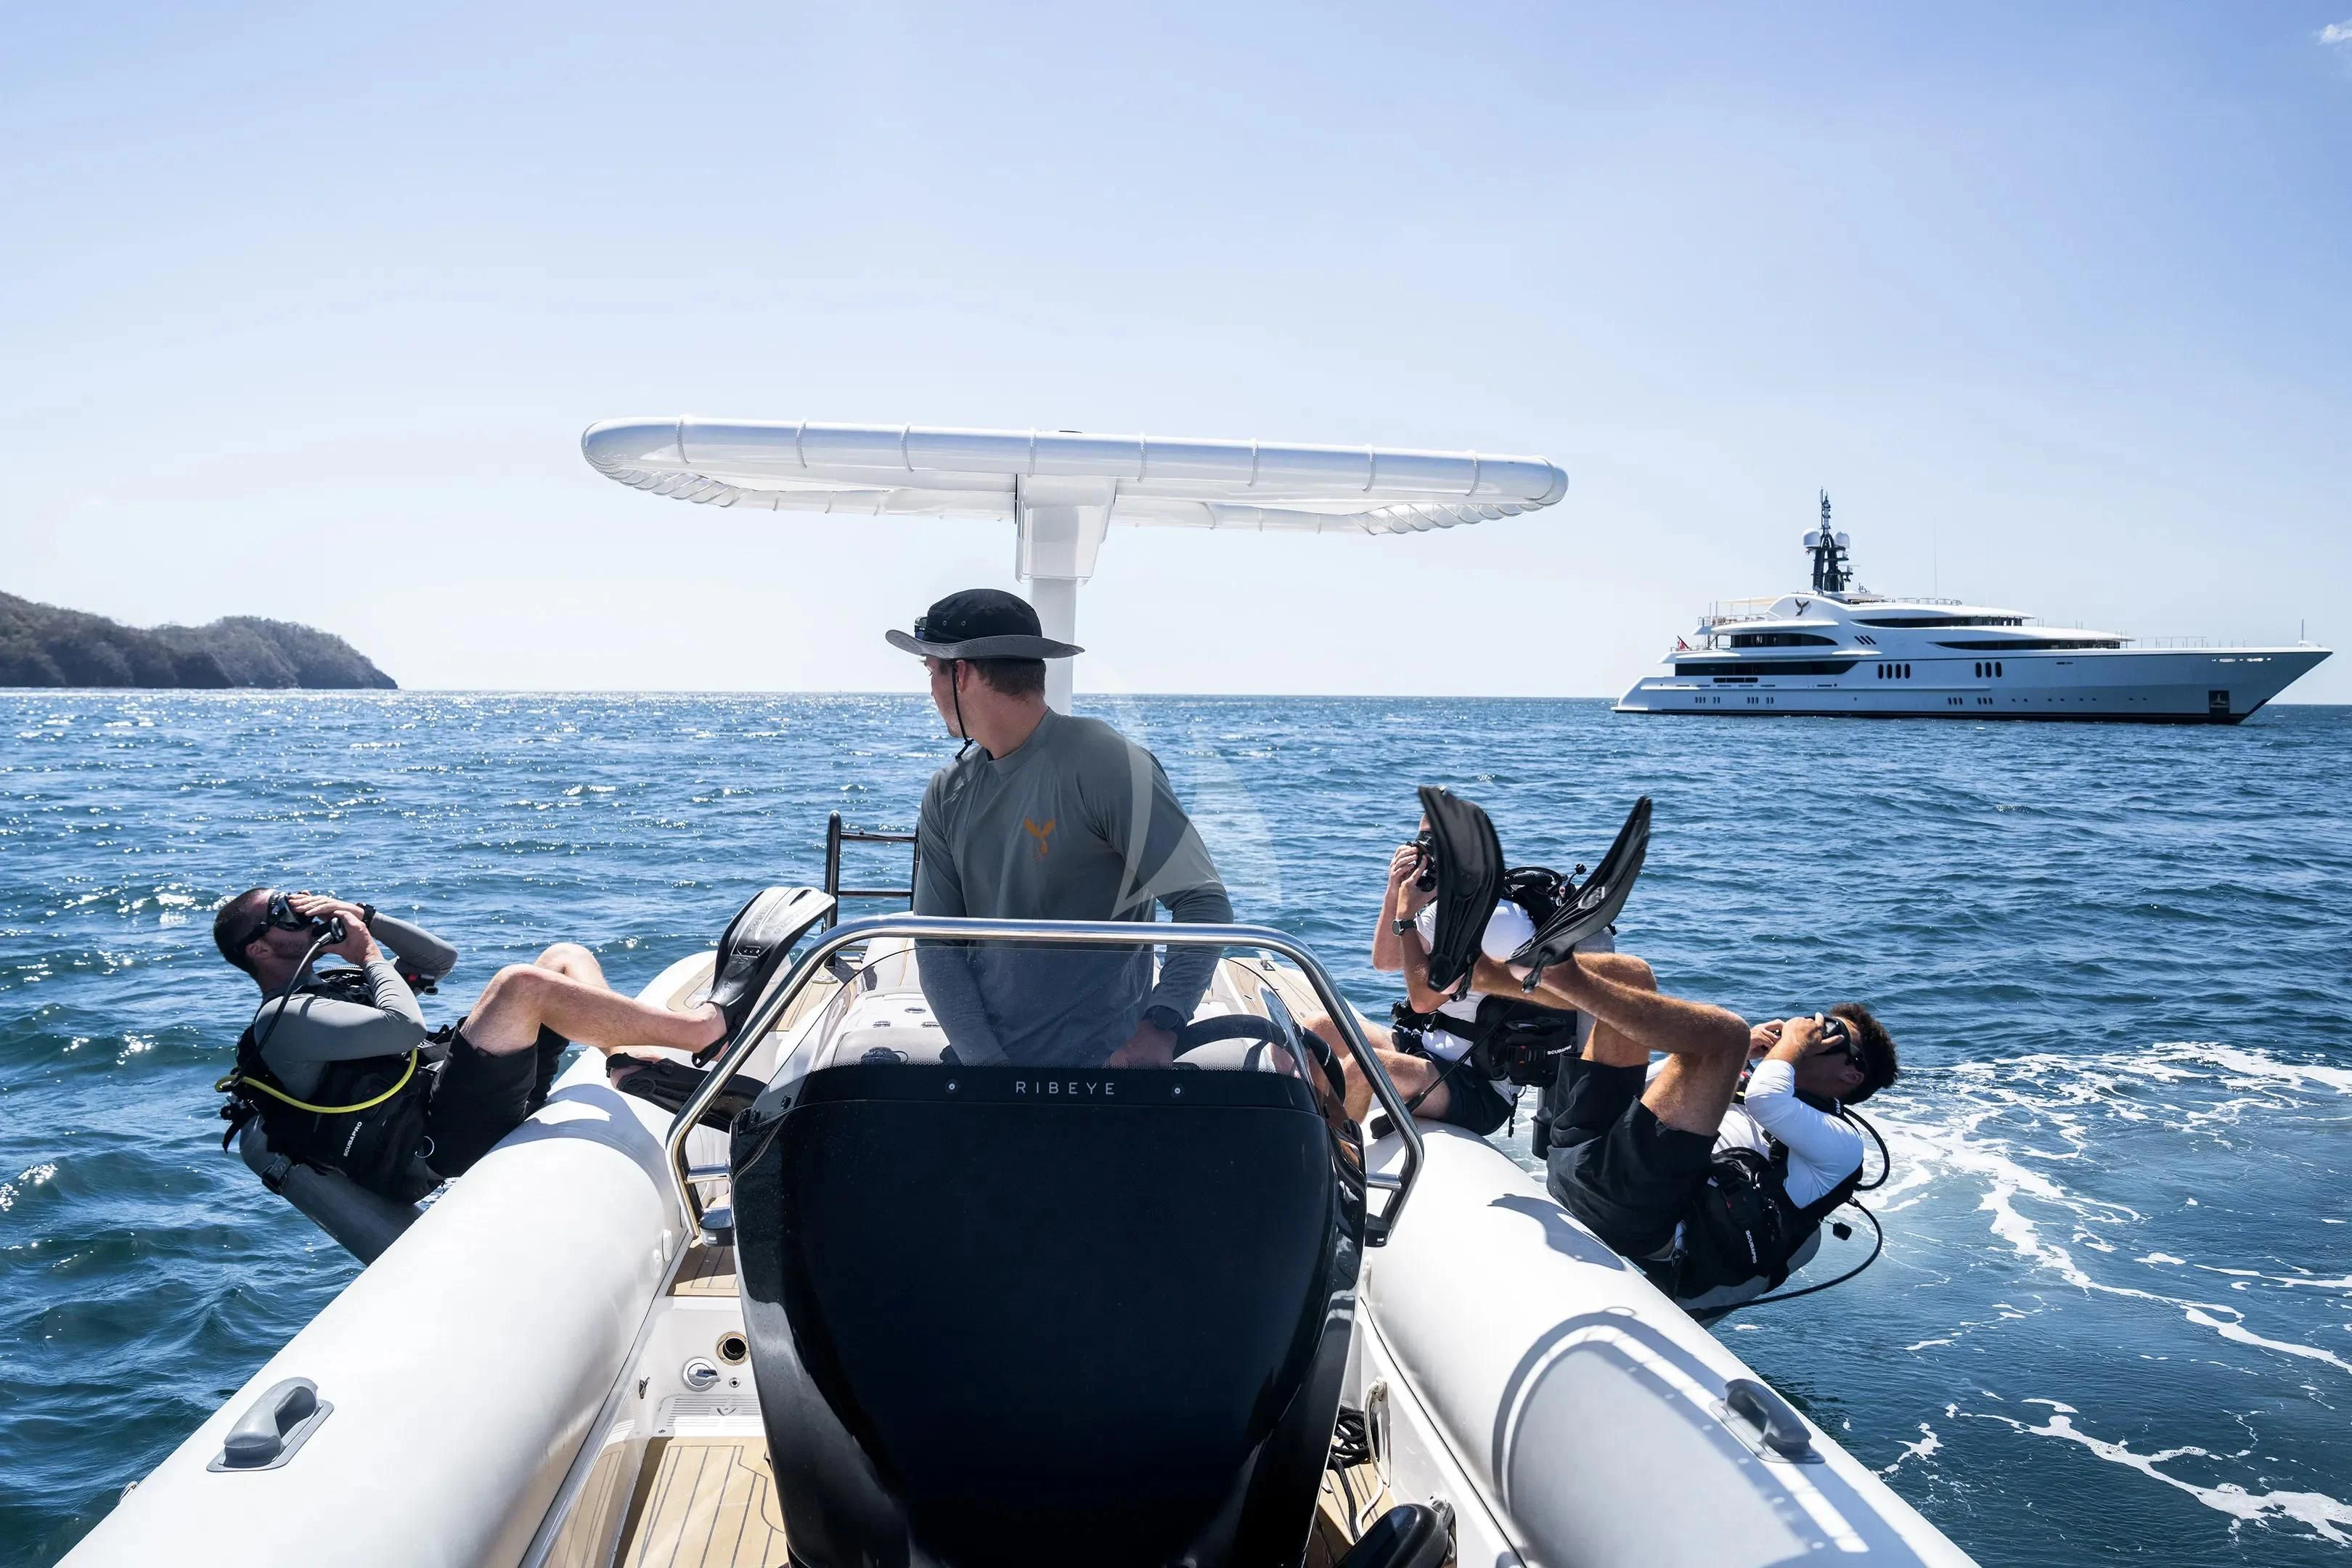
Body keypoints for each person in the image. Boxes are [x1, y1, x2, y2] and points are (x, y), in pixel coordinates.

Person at [212, 886, 801, 1202]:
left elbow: (438, 960)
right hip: (434, 1142)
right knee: (520, 986)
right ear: (259, 950)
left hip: (452, 1103)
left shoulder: (330, 986)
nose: (302, 913)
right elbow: (405, 1028)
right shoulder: (282, 1020)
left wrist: (367, 917)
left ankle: (622, 1062)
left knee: (563, 957)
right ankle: (704, 1031)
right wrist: (367, 953)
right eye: (284, 913)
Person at [891, 588, 1234, 1067]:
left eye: (932, 671)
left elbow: (1203, 902)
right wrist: (989, 1071)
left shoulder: (1108, 764)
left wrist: (1161, 1027)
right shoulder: (945, 792)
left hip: (1109, 1073)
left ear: (961, 674)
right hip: (987, 1070)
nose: (931, 690)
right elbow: (937, 945)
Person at [1522, 945, 1899, 1294]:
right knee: (1629, 975)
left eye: (1831, 1035)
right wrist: (1740, 1056)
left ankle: (1515, 972)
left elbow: (1767, 1098)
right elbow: (1644, 1091)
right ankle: (1495, 972)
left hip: (1635, 1216)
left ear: (1852, 1074)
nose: (1812, 1031)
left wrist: (1774, 1045)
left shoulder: (1843, 1143)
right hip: (1576, 1155)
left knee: (1725, 1033)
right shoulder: (1747, 1083)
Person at [1302, 822, 1593, 1134]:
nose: (1420, 853)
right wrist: (1394, 892)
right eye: (1420, 842)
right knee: (1318, 1028)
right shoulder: (1449, 906)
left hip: (1479, 1086)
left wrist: (1406, 918)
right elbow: (1385, 961)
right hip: (1430, 1051)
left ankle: (1334, 1155)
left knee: (1361, 1068)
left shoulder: (1492, 919)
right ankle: (1302, 1129)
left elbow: (1423, 1001)